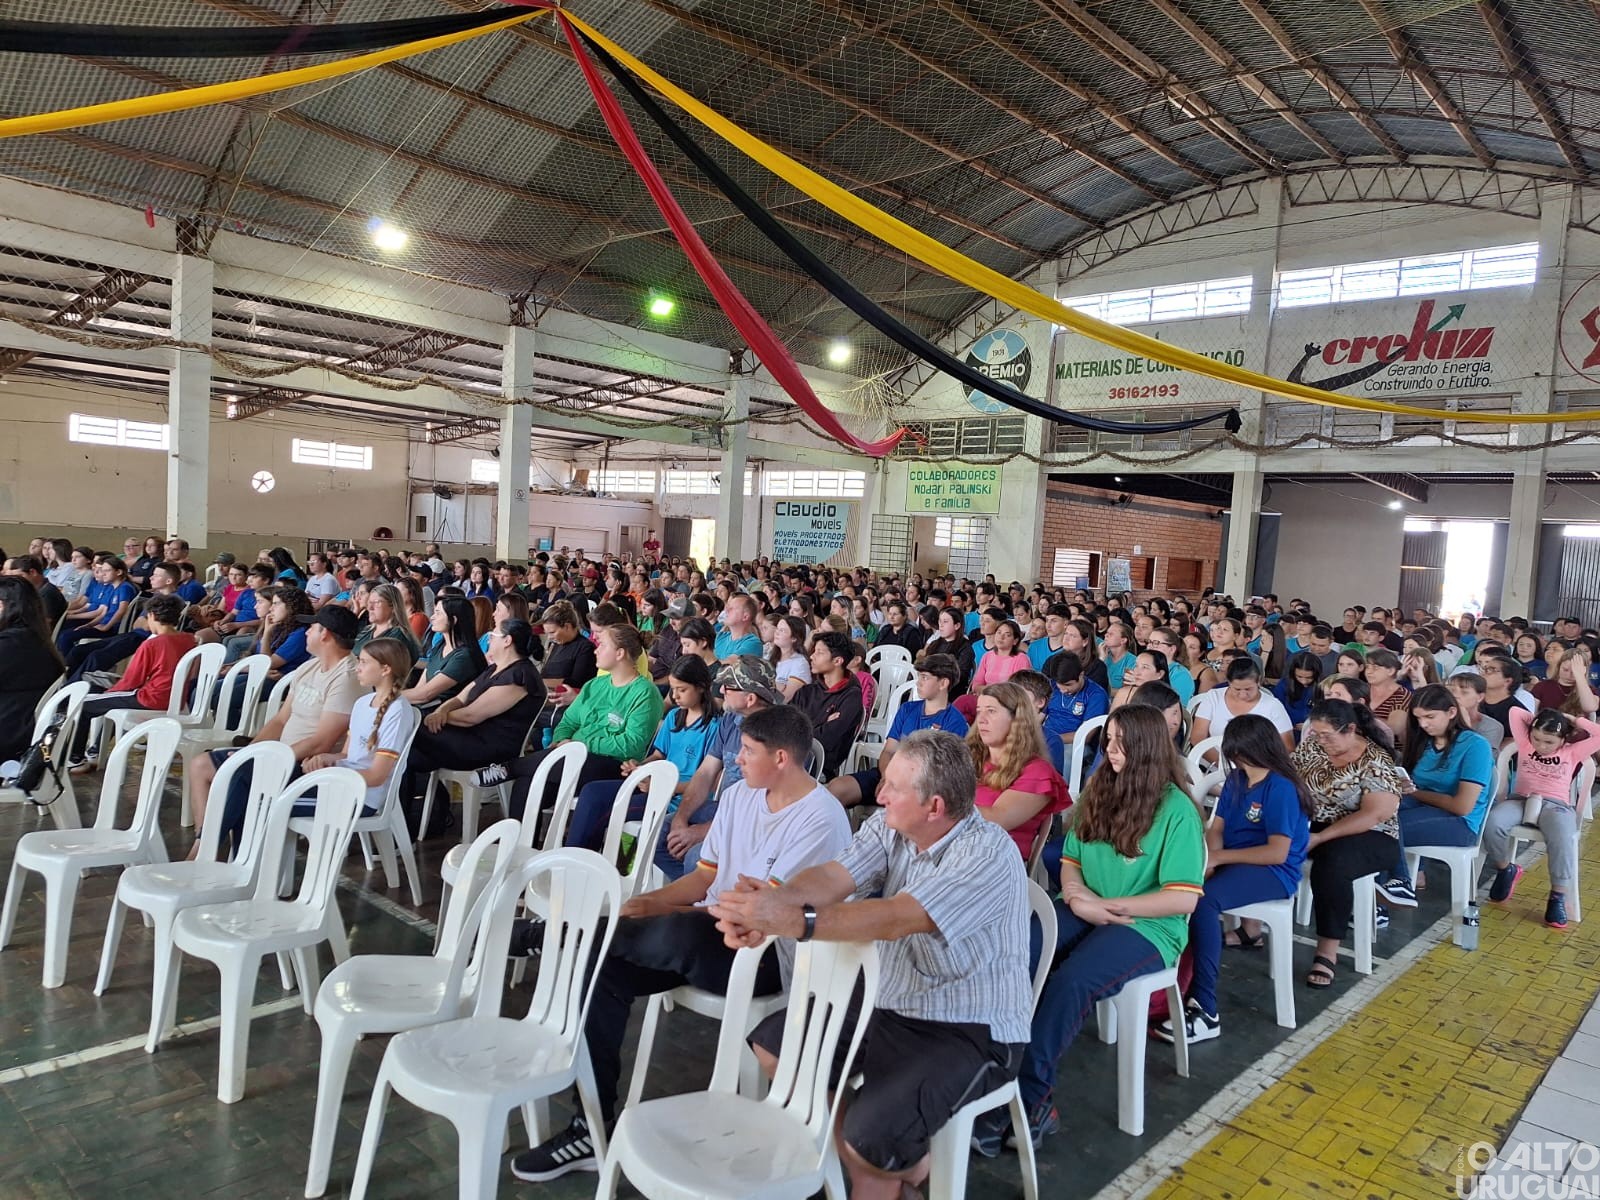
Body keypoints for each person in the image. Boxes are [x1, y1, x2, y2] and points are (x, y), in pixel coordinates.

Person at [510, 705, 852, 1183]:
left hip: (765, 953)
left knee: (681, 928)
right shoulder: (740, 798)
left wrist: (666, 916)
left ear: (780, 758)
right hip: (706, 935)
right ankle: (588, 1126)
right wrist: (645, 905)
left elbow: (758, 914)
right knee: (598, 962)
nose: (737, 761)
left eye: (748, 753)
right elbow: (702, 882)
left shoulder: (818, 818)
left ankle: (547, 934)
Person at [710, 730, 1031, 1199]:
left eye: (893, 788)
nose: (878, 794)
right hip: (889, 993)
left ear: (934, 808)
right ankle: (898, 1164)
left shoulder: (987, 852)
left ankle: (878, 1160)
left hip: (969, 1024)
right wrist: (775, 905)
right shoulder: (891, 825)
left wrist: (793, 922)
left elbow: (897, 918)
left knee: (870, 1145)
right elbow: (835, 875)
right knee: (777, 1048)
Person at [1003, 705, 1205, 1150]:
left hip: (1148, 924)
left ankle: (1032, 1099)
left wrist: (1103, 905)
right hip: (1087, 903)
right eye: (1108, 740)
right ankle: (992, 1067)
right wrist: (1076, 896)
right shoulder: (1101, 789)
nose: (1109, 751)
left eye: (1120, 743)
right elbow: (1071, 861)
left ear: (1147, 749)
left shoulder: (1177, 811)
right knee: (1021, 952)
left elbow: (1182, 897)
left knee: (1071, 981)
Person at [1156, 714, 1311, 1044]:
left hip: (1272, 872)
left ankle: (1206, 1007)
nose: (1237, 760)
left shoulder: (1280, 788)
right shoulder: (1240, 780)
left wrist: (1220, 858)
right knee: (1179, 888)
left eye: (1241, 753)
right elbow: (1218, 829)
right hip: (1235, 861)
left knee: (1204, 902)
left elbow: (1277, 853)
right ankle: (1173, 983)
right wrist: (1209, 861)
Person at [186, 606, 365, 857]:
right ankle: (206, 841)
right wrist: (251, 751)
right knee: (201, 765)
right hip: (282, 755)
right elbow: (280, 720)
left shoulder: (346, 677)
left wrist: (262, 758)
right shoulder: (308, 668)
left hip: (310, 765)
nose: (306, 632)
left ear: (325, 634)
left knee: (241, 774)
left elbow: (321, 742)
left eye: (311, 628)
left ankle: (205, 851)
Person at [483, 623, 664, 822]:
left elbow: (630, 745)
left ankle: (509, 768)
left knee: (560, 762)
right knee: (527, 783)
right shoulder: (594, 685)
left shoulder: (645, 693)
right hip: (572, 759)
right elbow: (568, 721)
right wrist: (562, 739)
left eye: (602, 645)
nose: (596, 650)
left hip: (612, 765)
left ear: (619, 653)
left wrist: (579, 746)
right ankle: (517, 848)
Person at [1293, 699, 1411, 988]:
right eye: (1316, 734)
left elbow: (1375, 813)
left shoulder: (1376, 759)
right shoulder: (1312, 746)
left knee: (1332, 864)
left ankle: (1327, 952)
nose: (1321, 741)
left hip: (1372, 834)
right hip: (1319, 822)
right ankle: (1252, 927)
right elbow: (1289, 774)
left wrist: (1320, 837)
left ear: (1351, 729)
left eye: (1327, 735)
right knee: (1270, 841)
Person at [402, 617, 546, 835]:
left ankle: (415, 819)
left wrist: (436, 717)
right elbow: (460, 698)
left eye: (494, 633)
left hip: (487, 746)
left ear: (507, 640)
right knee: (406, 755)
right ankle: (408, 821)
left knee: (409, 731)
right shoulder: (495, 669)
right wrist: (441, 711)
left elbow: (472, 715)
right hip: (465, 735)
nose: (489, 637)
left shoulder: (520, 676)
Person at [562, 654, 717, 851]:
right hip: (654, 785)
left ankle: (587, 862)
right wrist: (640, 767)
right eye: (673, 690)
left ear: (702, 687)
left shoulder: (714, 727)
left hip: (678, 798)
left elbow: (709, 783)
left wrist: (663, 786)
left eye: (682, 690)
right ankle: (575, 858)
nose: (675, 696)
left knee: (609, 811)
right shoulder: (674, 717)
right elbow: (659, 756)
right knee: (592, 792)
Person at [1369, 683, 1495, 909]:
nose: (1423, 724)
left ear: (1451, 712)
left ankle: (1398, 884)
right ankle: (1376, 900)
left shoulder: (1475, 746)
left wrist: (1417, 792)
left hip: (1460, 824)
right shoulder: (1424, 741)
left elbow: (1462, 806)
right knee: (1375, 814)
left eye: (1430, 716)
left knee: (1386, 824)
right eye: (1418, 718)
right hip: (1423, 808)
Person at [1481, 707, 1600, 929]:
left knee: (1562, 837)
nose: (1541, 746)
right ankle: (1505, 868)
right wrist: (1543, 718)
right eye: (1537, 738)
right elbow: (1515, 712)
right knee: (1492, 822)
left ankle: (1557, 895)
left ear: (1563, 740)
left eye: (1549, 742)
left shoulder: (1572, 751)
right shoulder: (1525, 742)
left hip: (1555, 806)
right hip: (1521, 800)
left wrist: (1574, 720)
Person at [829, 653, 967, 808]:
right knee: (836, 789)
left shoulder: (955, 722)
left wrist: (901, 785)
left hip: (922, 788)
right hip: (890, 774)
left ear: (943, 683)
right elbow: (888, 751)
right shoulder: (907, 709)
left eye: (925, 678)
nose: (918, 683)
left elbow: (941, 772)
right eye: (919, 677)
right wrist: (887, 778)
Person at [296, 638, 415, 817]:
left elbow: (376, 776)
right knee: (266, 786)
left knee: (268, 804)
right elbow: (347, 755)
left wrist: (331, 775)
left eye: (364, 662)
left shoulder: (397, 710)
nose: (357, 668)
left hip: (360, 796)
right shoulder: (362, 703)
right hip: (340, 784)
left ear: (385, 669)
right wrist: (323, 759)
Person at [968, 681, 1070, 862]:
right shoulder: (969, 758)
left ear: (1016, 719)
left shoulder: (1038, 772)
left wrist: (936, 804)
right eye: (979, 711)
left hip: (996, 862)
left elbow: (998, 819)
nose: (981, 719)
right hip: (957, 851)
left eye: (991, 711)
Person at [0, 576, 66, 762]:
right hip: (23, 731)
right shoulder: (30, 637)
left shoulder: (12, 644)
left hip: (12, 739)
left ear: (3, 606)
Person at [791, 629, 865, 779]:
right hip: (791, 758)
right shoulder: (806, 691)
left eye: (819, 652)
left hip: (819, 768)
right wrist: (821, 723)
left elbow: (827, 740)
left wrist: (802, 729)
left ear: (838, 661)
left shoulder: (851, 697)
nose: (811, 656)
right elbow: (784, 727)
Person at [1190, 657, 1294, 755]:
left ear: (1259, 681)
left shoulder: (1273, 705)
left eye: (1248, 689)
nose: (1243, 695)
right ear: (1229, 683)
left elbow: (1287, 747)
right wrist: (1222, 763)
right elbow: (1197, 738)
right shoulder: (1213, 697)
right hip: (1213, 764)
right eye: (1237, 689)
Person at [402, 595, 486, 710]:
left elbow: (425, 695)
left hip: (442, 716)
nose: (432, 617)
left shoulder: (464, 657)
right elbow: (419, 689)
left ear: (454, 620)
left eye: (438, 613)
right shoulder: (440, 646)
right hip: (425, 708)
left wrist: (386, 696)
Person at [917, 606, 976, 696]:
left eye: (945, 622)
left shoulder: (965, 648)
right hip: (930, 688)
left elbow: (961, 675)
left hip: (952, 692)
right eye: (940, 621)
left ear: (957, 625)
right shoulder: (934, 644)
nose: (941, 625)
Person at [971, 618, 1031, 689]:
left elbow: (1020, 689)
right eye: (999, 633)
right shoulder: (987, 656)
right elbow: (977, 684)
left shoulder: (1022, 659)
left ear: (1015, 641)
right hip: (985, 696)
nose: (1001, 637)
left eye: (1007, 635)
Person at [767, 613, 813, 700]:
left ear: (794, 638)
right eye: (777, 628)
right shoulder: (770, 655)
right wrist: (779, 686)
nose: (777, 632)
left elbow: (785, 698)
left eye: (782, 630)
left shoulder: (800, 663)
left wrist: (768, 684)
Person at [1274, 651, 1324, 728]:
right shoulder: (1283, 686)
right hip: (1287, 730)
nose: (1303, 681)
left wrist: (1309, 725)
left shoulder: (1323, 687)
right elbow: (1276, 711)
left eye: (1309, 678)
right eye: (1299, 677)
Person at [713, 593, 762, 659]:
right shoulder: (721, 636)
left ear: (745, 616)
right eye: (727, 607)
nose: (726, 610)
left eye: (732, 608)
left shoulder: (753, 643)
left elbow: (729, 665)